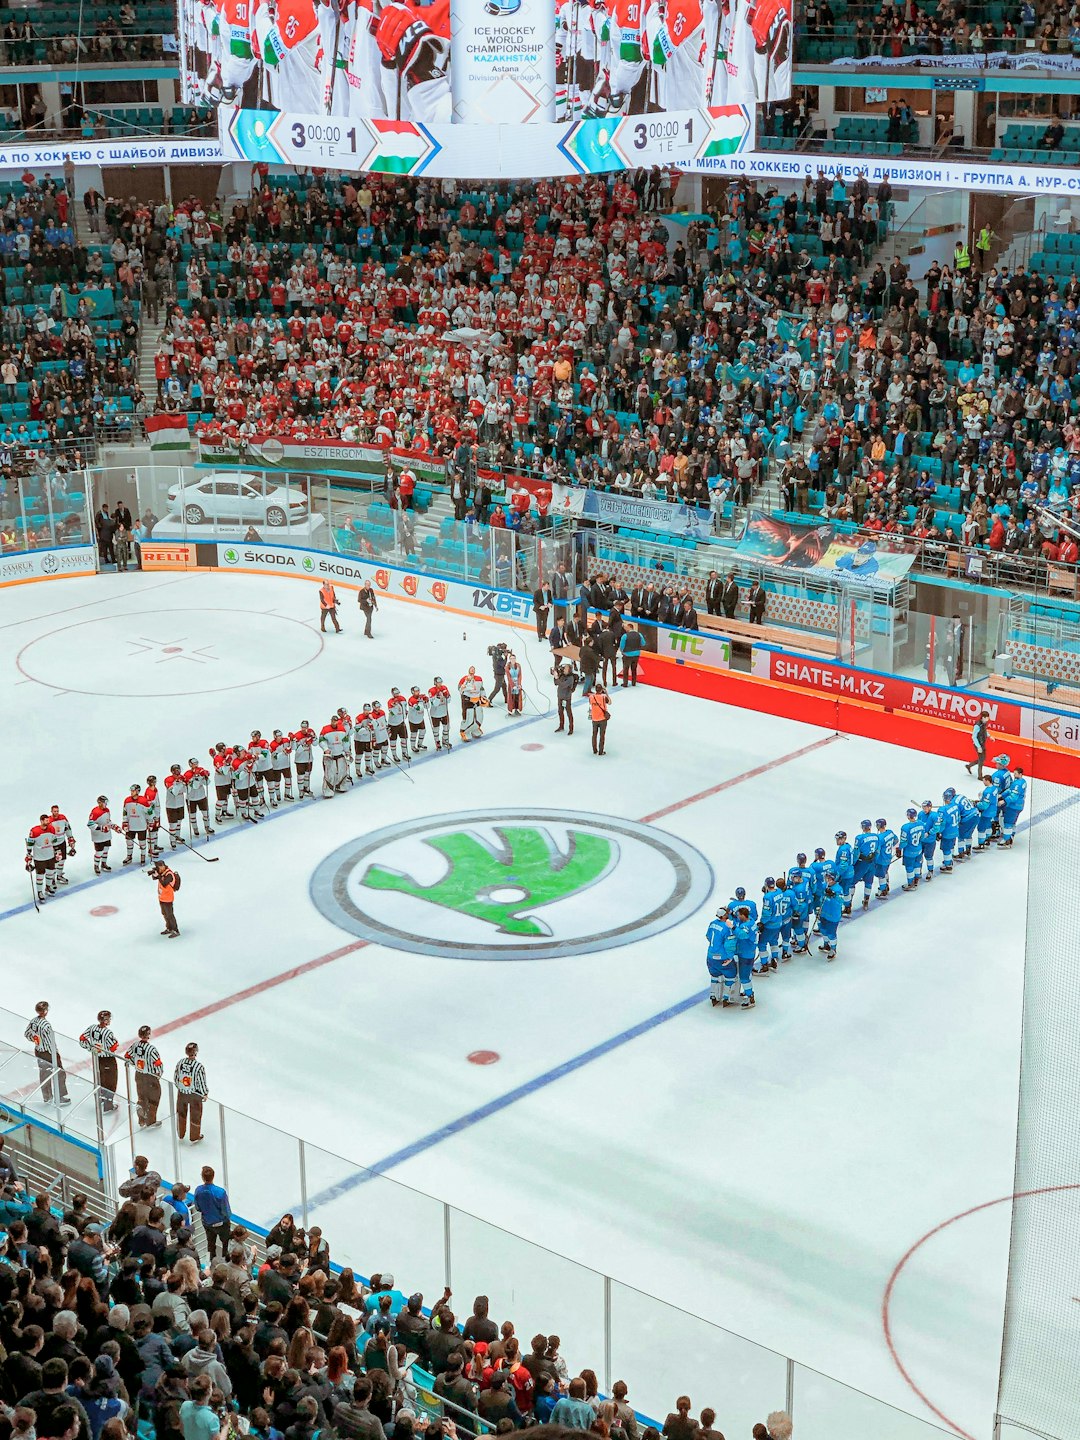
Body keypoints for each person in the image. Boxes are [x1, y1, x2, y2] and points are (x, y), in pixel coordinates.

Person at [25, 1000, 70, 1105]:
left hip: (38, 1051)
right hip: (48, 1053)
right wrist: (56, 1054)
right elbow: (51, 1043)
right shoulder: (46, 1025)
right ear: (45, 1011)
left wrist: (34, 1039)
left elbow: (27, 1034)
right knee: (60, 1073)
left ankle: (47, 1096)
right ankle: (60, 1097)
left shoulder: (33, 1021)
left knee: (44, 1074)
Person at [79, 1010, 120, 1114]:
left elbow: (82, 1038)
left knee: (100, 1079)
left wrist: (91, 1048)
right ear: (105, 1020)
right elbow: (113, 1047)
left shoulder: (92, 1028)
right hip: (108, 1060)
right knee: (110, 1083)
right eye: (108, 1019)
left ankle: (99, 1099)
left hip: (97, 1058)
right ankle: (108, 1106)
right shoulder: (107, 1032)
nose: (109, 1020)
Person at [124, 1025, 163, 1127]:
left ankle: (141, 1120)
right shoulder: (151, 1049)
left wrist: (134, 1064)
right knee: (153, 1099)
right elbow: (157, 1063)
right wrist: (158, 1074)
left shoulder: (135, 1045)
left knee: (141, 1097)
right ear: (148, 1035)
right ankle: (151, 1121)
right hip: (150, 1077)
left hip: (139, 1075)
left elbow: (127, 1056)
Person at [193, 1166, 231, 1260]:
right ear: (213, 1176)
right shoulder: (220, 1192)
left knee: (210, 1245)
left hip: (207, 1223)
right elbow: (226, 1210)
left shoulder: (198, 1190)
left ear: (202, 1177)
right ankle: (225, 1264)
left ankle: (208, 1264)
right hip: (222, 1223)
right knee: (226, 1244)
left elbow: (198, 1208)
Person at [174, 1042, 207, 1143]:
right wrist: (204, 1093)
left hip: (182, 1093)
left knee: (181, 1114)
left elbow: (176, 1077)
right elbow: (201, 1082)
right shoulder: (198, 1066)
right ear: (196, 1052)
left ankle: (180, 1133)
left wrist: (180, 1087)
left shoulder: (180, 1063)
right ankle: (194, 1136)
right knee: (195, 1116)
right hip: (194, 1095)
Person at [151, 858, 181, 938]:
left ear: (163, 866)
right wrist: (155, 874)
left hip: (168, 898)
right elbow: (155, 878)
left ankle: (175, 930)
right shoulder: (161, 872)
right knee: (164, 914)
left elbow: (164, 883)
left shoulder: (169, 874)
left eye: (159, 866)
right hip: (162, 897)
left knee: (170, 915)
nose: (158, 868)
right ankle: (169, 928)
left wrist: (158, 876)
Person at [553, 658, 578, 734]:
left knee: (568, 713)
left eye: (565, 669)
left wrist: (557, 678)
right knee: (560, 712)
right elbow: (556, 683)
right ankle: (561, 726)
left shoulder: (570, 678)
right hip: (560, 696)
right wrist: (556, 676)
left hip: (566, 698)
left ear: (569, 670)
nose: (564, 670)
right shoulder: (562, 675)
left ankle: (571, 728)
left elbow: (563, 685)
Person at [966, 708, 989, 780]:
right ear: (983, 717)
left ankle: (969, 766)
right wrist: (978, 746)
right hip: (978, 744)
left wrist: (989, 736)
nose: (988, 719)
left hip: (982, 743)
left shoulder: (984, 724)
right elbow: (974, 737)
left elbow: (985, 731)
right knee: (981, 760)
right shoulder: (977, 726)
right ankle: (980, 776)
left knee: (982, 759)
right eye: (987, 717)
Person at [589, 682, 611, 756]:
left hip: (594, 718)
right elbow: (610, 702)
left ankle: (594, 750)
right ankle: (601, 751)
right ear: (601, 690)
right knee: (602, 735)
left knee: (594, 734)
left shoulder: (591, 697)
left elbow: (590, 704)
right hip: (602, 719)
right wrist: (606, 693)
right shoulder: (603, 697)